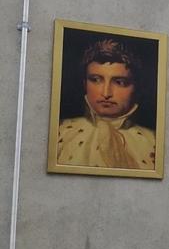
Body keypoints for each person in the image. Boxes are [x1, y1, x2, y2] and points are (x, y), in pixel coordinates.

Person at [54, 37, 158, 172]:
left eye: (119, 82)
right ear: (85, 83)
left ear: (136, 87)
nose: (106, 93)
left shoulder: (154, 142)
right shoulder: (60, 132)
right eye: (96, 80)